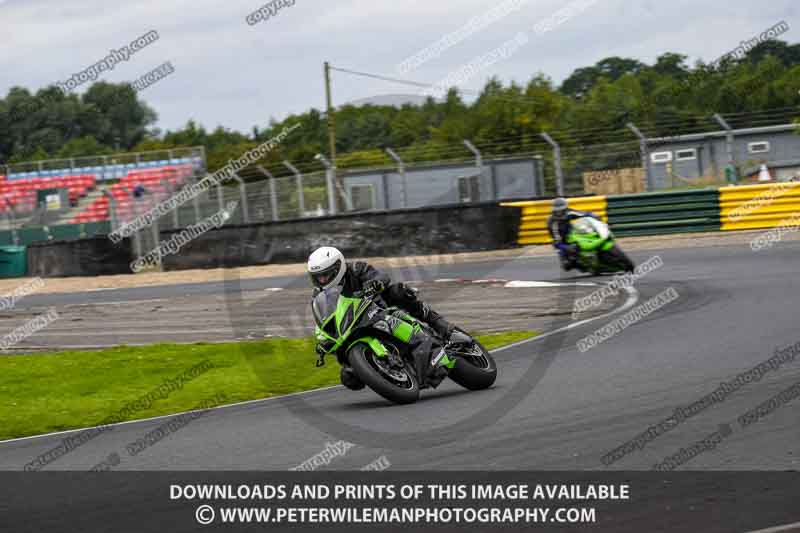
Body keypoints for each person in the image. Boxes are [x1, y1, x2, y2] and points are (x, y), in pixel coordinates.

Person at [307, 246, 454, 390]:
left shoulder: (356, 269)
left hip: (379, 308)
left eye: (325, 275)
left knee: (399, 292)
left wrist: (374, 284)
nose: (322, 280)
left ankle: (437, 322)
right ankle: (383, 370)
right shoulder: (319, 295)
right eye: (318, 277)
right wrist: (323, 339)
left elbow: (381, 277)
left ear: (338, 267)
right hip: (351, 326)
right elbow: (322, 317)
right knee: (349, 379)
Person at [547, 197, 599, 271]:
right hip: (561, 241)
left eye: (562, 210)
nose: (560, 212)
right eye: (558, 211)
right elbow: (557, 240)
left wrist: (592, 215)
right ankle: (576, 262)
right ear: (553, 210)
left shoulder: (568, 212)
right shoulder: (552, 223)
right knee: (567, 265)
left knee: (585, 235)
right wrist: (566, 247)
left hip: (572, 234)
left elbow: (582, 214)